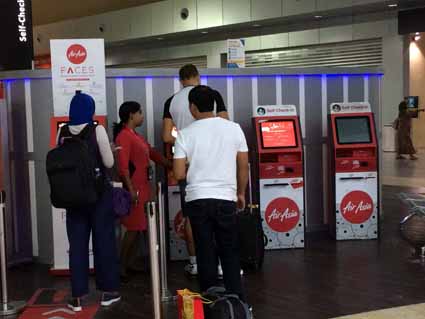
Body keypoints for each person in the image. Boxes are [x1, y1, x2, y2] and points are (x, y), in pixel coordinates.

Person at [173, 85, 249, 300]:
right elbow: (244, 165)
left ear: (192, 108)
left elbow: (179, 173)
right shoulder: (233, 128)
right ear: (214, 105)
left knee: (205, 251)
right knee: (229, 250)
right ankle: (237, 301)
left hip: (197, 200)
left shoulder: (184, 134)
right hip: (226, 198)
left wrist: (193, 164)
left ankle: (211, 302)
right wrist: (241, 193)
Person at [162, 64, 229, 276]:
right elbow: (225, 124)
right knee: (219, 213)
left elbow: (166, 136)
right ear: (198, 77)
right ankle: (219, 264)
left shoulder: (170, 101)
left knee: (192, 215)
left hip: (188, 164)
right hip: (215, 163)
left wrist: (184, 136)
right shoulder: (213, 94)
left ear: (180, 79)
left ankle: (195, 262)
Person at [58, 92, 120, 312]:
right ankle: (108, 292)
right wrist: (110, 151)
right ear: (90, 109)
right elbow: (109, 162)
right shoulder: (97, 130)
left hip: (72, 198)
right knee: (103, 243)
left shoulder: (62, 131)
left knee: (77, 247)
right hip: (97, 197)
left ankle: (77, 297)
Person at [114, 101, 171, 281]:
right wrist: (131, 190)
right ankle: (120, 267)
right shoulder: (124, 136)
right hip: (135, 188)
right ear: (131, 115)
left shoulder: (134, 135)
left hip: (143, 187)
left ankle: (129, 263)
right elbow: (123, 167)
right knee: (133, 228)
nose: (142, 115)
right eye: (140, 112)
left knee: (139, 227)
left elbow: (152, 153)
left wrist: (170, 164)